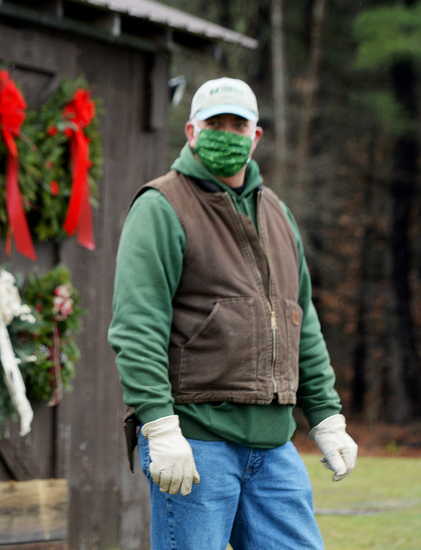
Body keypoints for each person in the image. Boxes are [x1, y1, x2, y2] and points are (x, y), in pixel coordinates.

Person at [108, 77, 358, 550]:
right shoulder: (162, 206)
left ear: (255, 135)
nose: (227, 133)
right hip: (196, 442)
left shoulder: (279, 215)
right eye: (214, 123)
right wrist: (160, 425)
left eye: (237, 124)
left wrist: (326, 415)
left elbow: (301, 324)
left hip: (274, 448)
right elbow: (136, 328)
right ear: (191, 131)